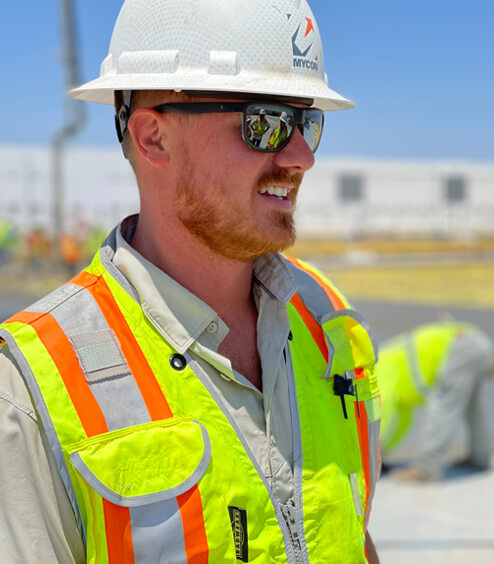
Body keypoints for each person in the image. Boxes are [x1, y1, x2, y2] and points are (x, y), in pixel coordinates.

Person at [0, 1, 381, 562]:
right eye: (266, 122)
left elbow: (351, 533)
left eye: (307, 123)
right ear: (153, 137)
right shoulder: (33, 389)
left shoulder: (330, 320)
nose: (301, 156)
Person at [377, 321, 494, 481]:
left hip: (461, 346)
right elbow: (402, 420)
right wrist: (383, 451)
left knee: (443, 406)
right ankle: (480, 458)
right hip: (473, 342)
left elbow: (380, 413)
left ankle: (427, 469)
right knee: (472, 407)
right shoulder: (389, 359)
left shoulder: (379, 367)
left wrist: (374, 453)